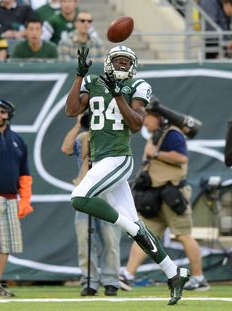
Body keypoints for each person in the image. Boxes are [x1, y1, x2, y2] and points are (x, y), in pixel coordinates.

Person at [65, 45, 190, 305]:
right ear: (109, 63)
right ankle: (174, 272)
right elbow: (72, 110)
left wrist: (117, 94)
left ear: (132, 66)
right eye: (118, 61)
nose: (122, 65)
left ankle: (129, 226)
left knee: (79, 197)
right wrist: (78, 76)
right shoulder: (92, 81)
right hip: (100, 160)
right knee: (137, 229)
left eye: (126, 61)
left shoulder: (137, 86)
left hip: (118, 158)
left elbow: (135, 124)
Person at [119, 98, 209, 291]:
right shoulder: (157, 135)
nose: (145, 121)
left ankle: (199, 278)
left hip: (172, 193)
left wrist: (157, 154)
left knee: (184, 235)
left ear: (159, 118)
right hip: (154, 196)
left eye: (148, 118)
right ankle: (127, 276)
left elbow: (182, 158)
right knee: (144, 235)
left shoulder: (172, 134)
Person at [61, 113, 122, 296]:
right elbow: (66, 148)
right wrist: (79, 124)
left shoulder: (111, 137)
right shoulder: (82, 138)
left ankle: (111, 281)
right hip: (83, 192)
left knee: (110, 238)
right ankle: (89, 281)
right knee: (84, 239)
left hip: (107, 193)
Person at [0, 99, 33, 297]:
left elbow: (25, 173)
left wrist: (24, 200)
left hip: (10, 198)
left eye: (2, 111)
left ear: (9, 114)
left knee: (6, 245)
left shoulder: (18, 140)